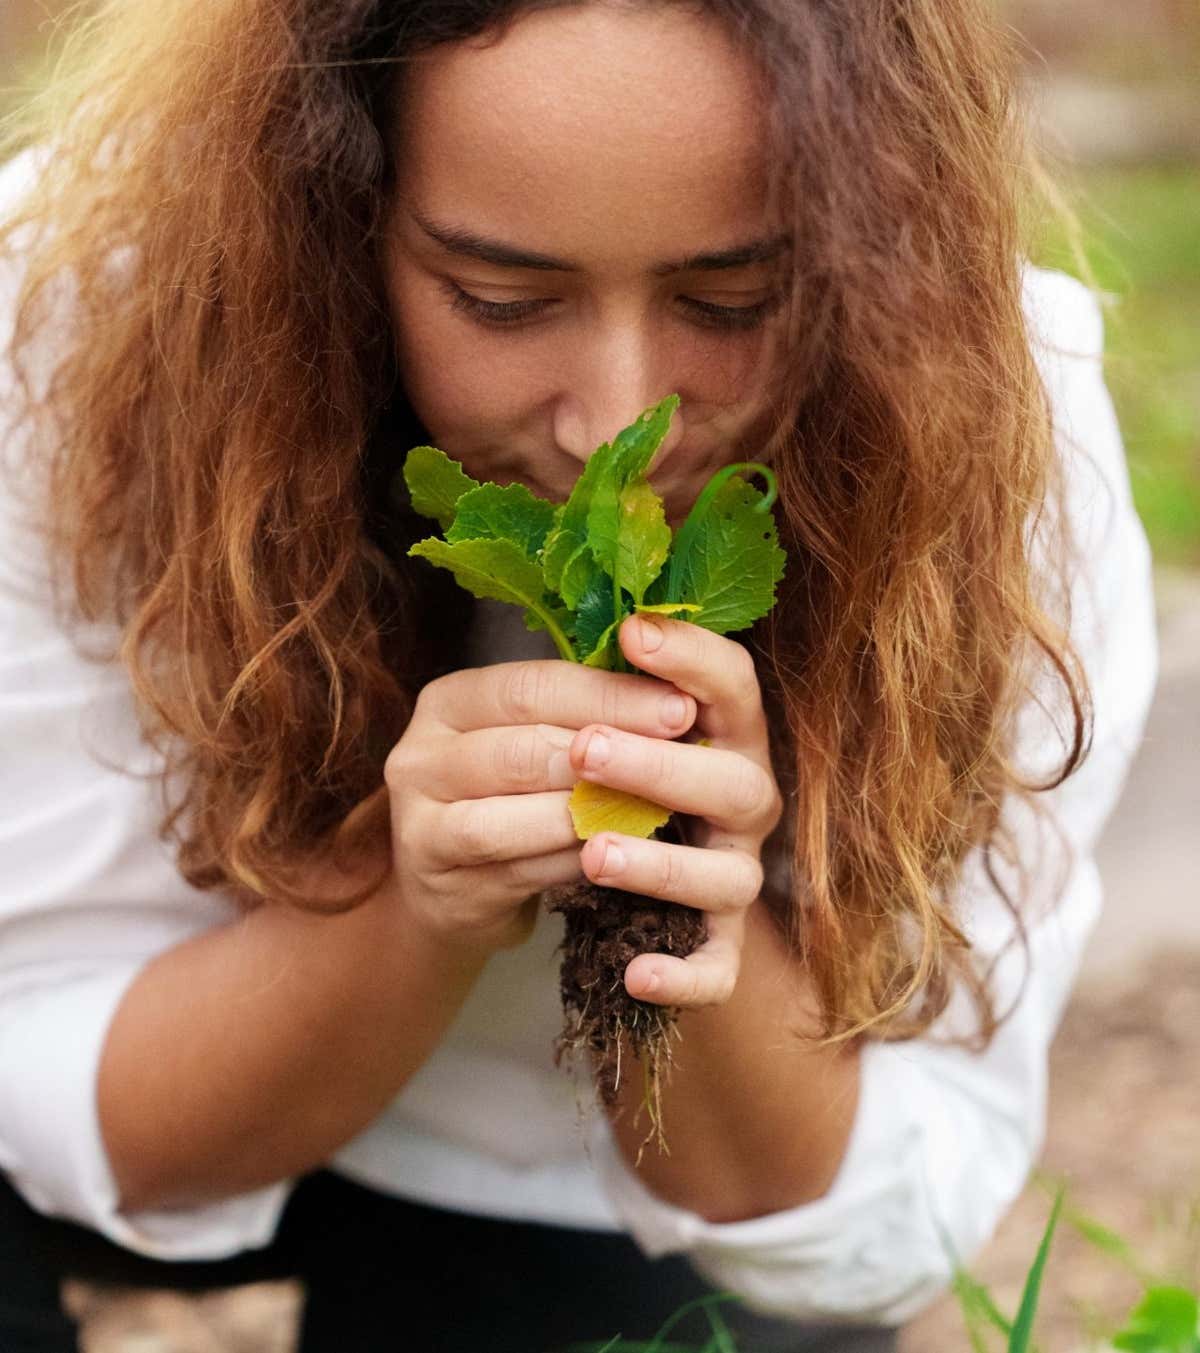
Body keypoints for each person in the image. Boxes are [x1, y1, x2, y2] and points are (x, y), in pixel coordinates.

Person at [0, 0, 1158, 1349]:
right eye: (503, 300)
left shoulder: (984, 417)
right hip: (171, 1051)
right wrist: (415, 910)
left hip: (586, 1182)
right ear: (338, 207)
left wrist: (683, 901)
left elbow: (887, 1217)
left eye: (731, 301)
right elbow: (49, 1069)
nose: (617, 424)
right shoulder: (85, 319)